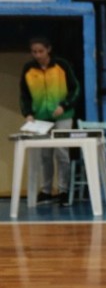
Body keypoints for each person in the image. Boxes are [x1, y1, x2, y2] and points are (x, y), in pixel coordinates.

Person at [19, 36, 80, 204]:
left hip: (62, 116)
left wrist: (65, 105)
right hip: (40, 119)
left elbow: (75, 88)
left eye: (40, 51)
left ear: (48, 49)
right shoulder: (29, 69)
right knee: (45, 155)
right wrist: (28, 113)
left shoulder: (62, 65)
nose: (37, 55)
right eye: (34, 52)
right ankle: (46, 190)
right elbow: (24, 95)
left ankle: (63, 190)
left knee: (62, 153)